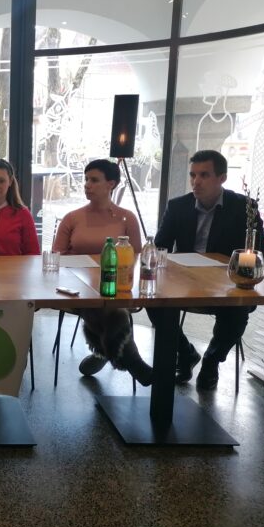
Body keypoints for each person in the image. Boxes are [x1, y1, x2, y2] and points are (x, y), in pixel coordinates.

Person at [147, 150, 264, 390]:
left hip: (225, 285)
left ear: (222, 178)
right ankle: (186, 353)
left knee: (239, 310)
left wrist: (236, 270)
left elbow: (262, 256)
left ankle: (212, 360)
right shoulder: (178, 206)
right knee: (153, 302)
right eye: (193, 175)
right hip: (184, 282)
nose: (196, 181)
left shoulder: (243, 207)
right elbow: (160, 248)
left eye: (204, 175)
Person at [52, 159, 151, 386]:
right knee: (107, 307)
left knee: (108, 302)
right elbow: (57, 257)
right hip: (76, 286)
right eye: (86, 179)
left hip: (115, 285)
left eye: (94, 180)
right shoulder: (72, 218)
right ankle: (132, 361)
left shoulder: (127, 218)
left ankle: (103, 352)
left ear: (111, 184)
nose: (87, 185)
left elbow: (135, 257)